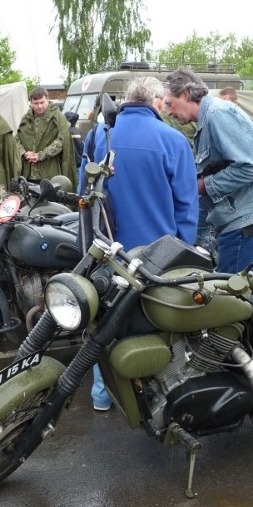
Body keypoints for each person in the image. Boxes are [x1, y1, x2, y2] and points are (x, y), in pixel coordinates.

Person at [82, 76, 198, 410]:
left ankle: (103, 396)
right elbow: (187, 208)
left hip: (106, 252)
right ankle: (152, 396)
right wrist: (183, 256)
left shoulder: (97, 138)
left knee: (104, 324)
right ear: (158, 102)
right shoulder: (173, 141)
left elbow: (84, 198)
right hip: (156, 258)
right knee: (156, 327)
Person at [163, 67, 253, 275]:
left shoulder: (217, 115)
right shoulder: (208, 119)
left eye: (169, 103)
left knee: (231, 301)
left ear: (185, 94)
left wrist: (203, 185)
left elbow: (252, 166)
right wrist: (197, 241)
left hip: (248, 224)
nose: (168, 111)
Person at [16, 86, 77, 184]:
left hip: (49, 171)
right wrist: (24, 153)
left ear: (48, 100)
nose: (39, 106)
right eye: (36, 103)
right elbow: (17, 139)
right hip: (28, 173)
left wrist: (41, 155)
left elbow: (62, 140)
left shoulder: (57, 117)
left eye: (42, 102)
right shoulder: (26, 119)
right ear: (31, 103)